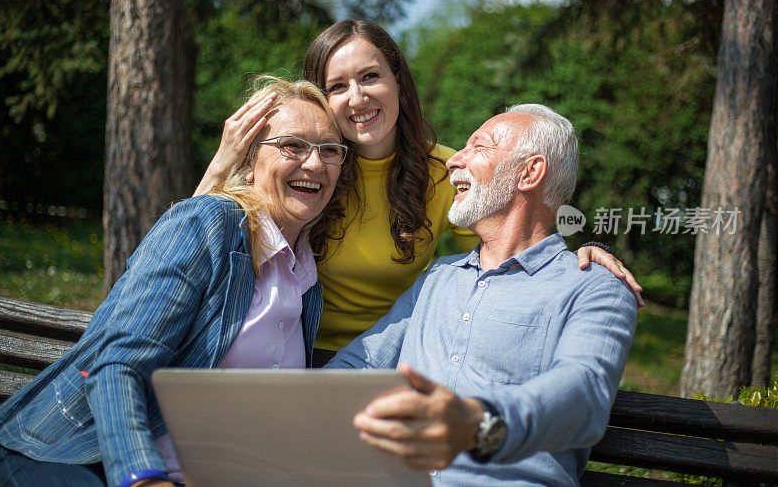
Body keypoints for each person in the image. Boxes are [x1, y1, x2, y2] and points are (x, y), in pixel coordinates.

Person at [193, 19, 644, 365]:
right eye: (337, 86)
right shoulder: (308, 169)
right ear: (321, 98)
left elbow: (513, 244)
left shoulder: (448, 170)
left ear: (398, 83)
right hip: (285, 353)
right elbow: (195, 250)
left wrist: (583, 255)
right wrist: (223, 163)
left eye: (370, 77)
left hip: (390, 361)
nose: (356, 97)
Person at [0, 78, 352, 487]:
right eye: (293, 146)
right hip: (76, 458)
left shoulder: (307, 282)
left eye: (329, 151)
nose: (315, 164)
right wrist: (143, 478)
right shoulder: (211, 223)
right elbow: (115, 365)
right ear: (249, 163)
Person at [327, 104, 638, 485]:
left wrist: (478, 423)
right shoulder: (438, 278)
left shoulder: (594, 287)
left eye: (479, 146)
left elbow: (582, 396)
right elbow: (359, 366)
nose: (452, 161)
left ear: (529, 172)